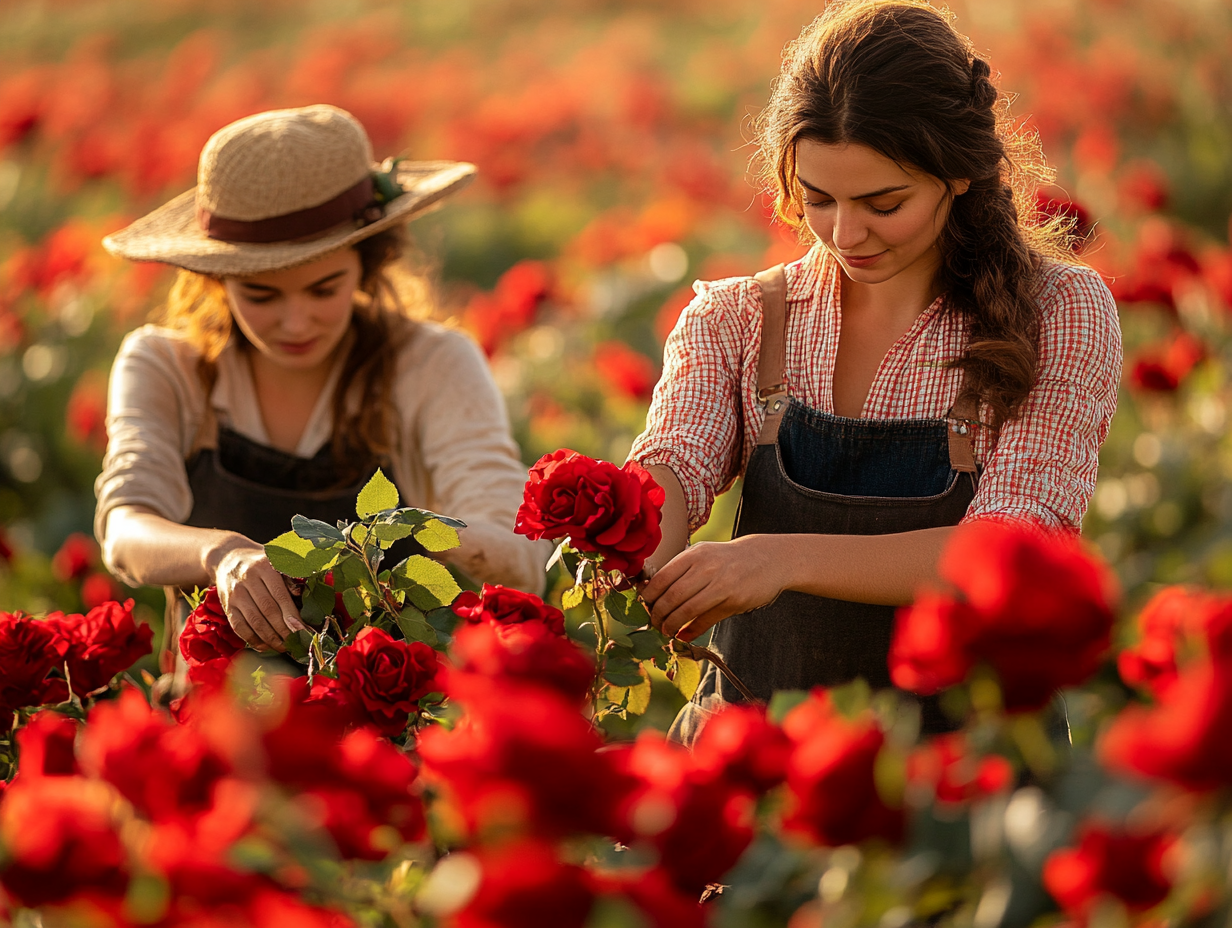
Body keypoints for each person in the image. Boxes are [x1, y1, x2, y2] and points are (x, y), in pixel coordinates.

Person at [631, 0, 1122, 744]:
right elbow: (674, 465)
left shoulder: (1057, 311)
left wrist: (780, 559)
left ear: (958, 174)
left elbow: (1014, 548)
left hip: (961, 774)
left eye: (882, 203)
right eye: (819, 199)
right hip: (762, 769)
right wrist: (629, 542)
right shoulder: (739, 318)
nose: (844, 234)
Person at [97, 104, 545, 662]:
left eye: (323, 289)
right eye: (260, 296)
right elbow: (125, 529)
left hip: (396, 715)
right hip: (216, 713)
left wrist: (399, 534)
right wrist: (223, 554)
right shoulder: (166, 366)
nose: (294, 322)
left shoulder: (432, 363)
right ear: (218, 281)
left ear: (368, 263)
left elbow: (519, 553)